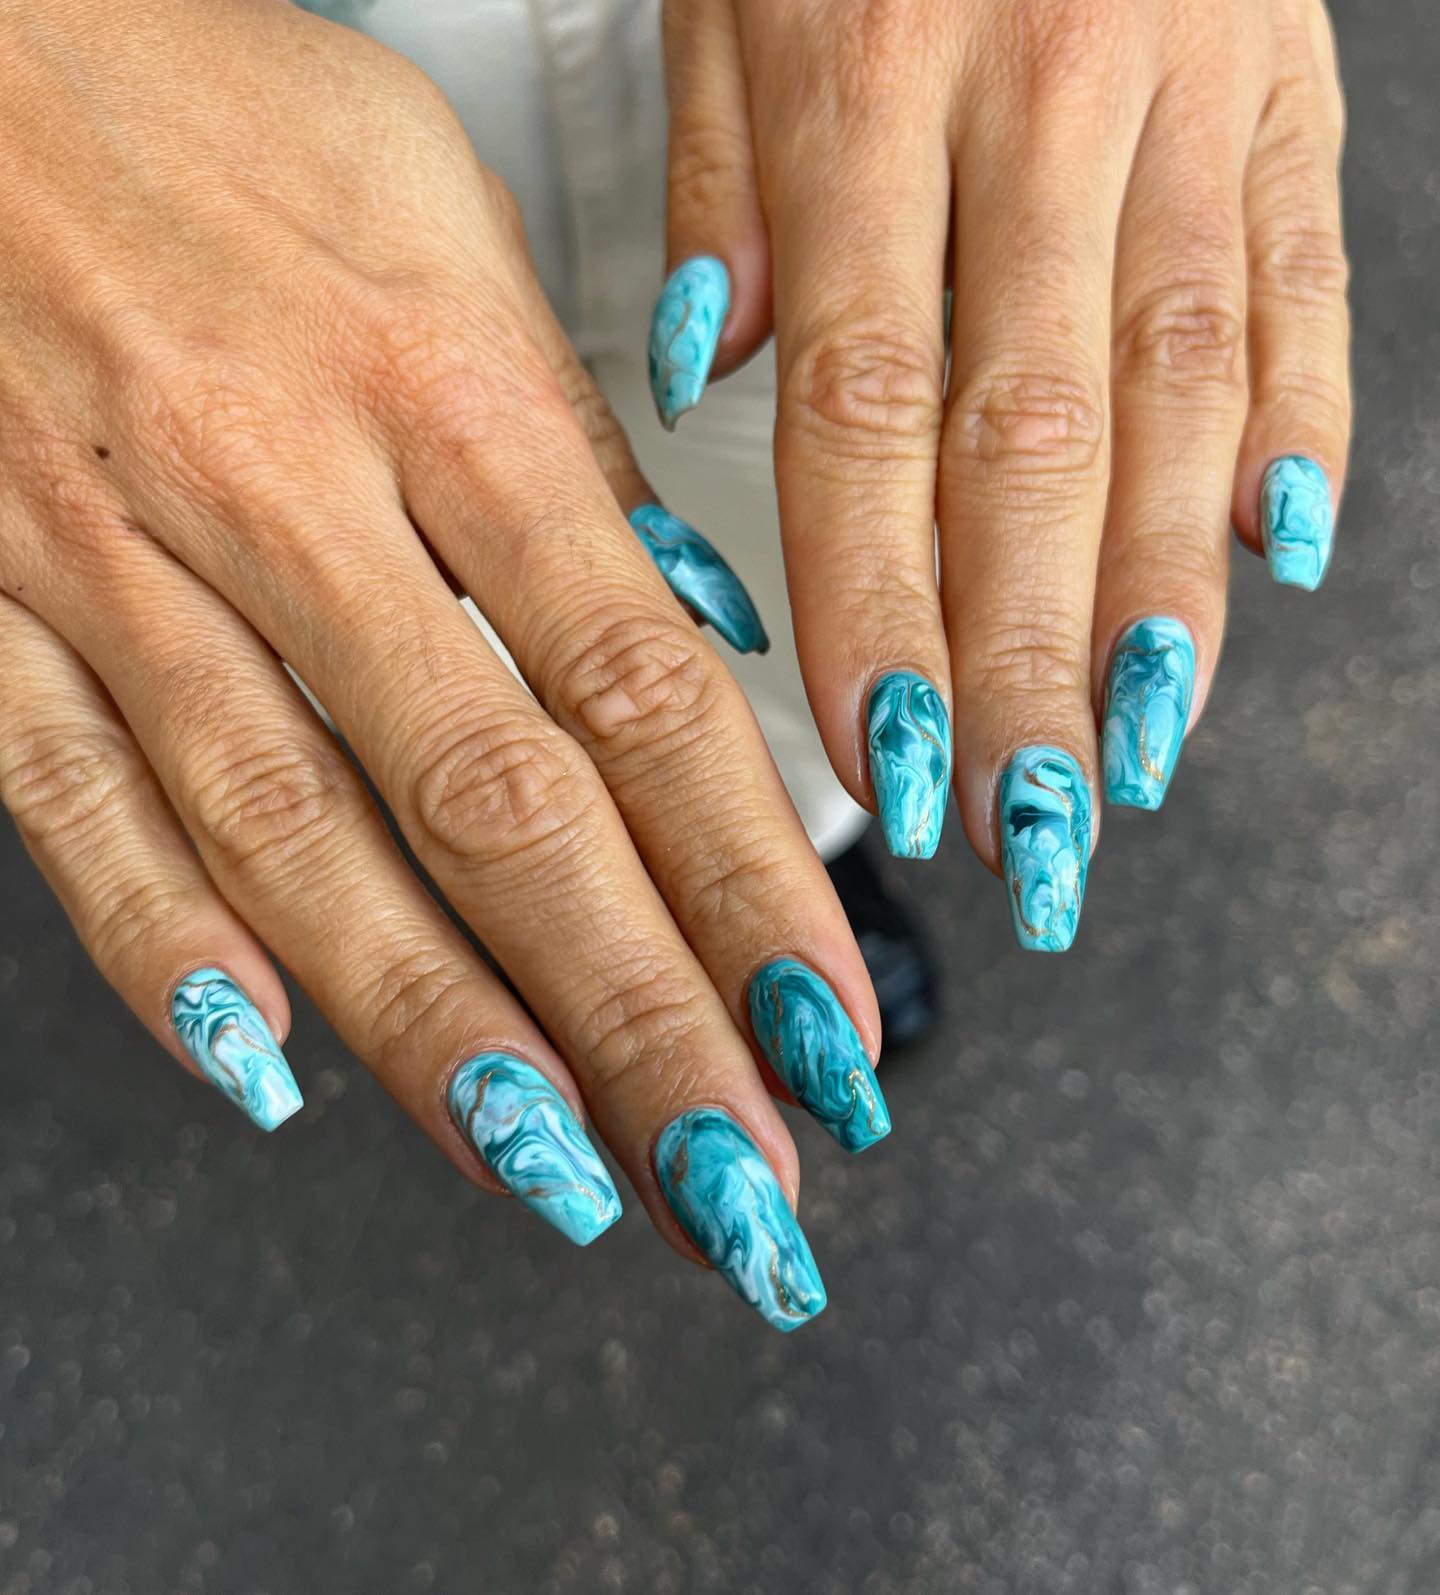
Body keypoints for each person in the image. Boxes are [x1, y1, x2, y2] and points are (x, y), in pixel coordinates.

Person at [0, 0, 1350, 1331]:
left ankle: (793, 865)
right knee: (321, 643)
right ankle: (644, 890)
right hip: (169, 103)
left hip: (842, 100)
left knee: (816, 592)